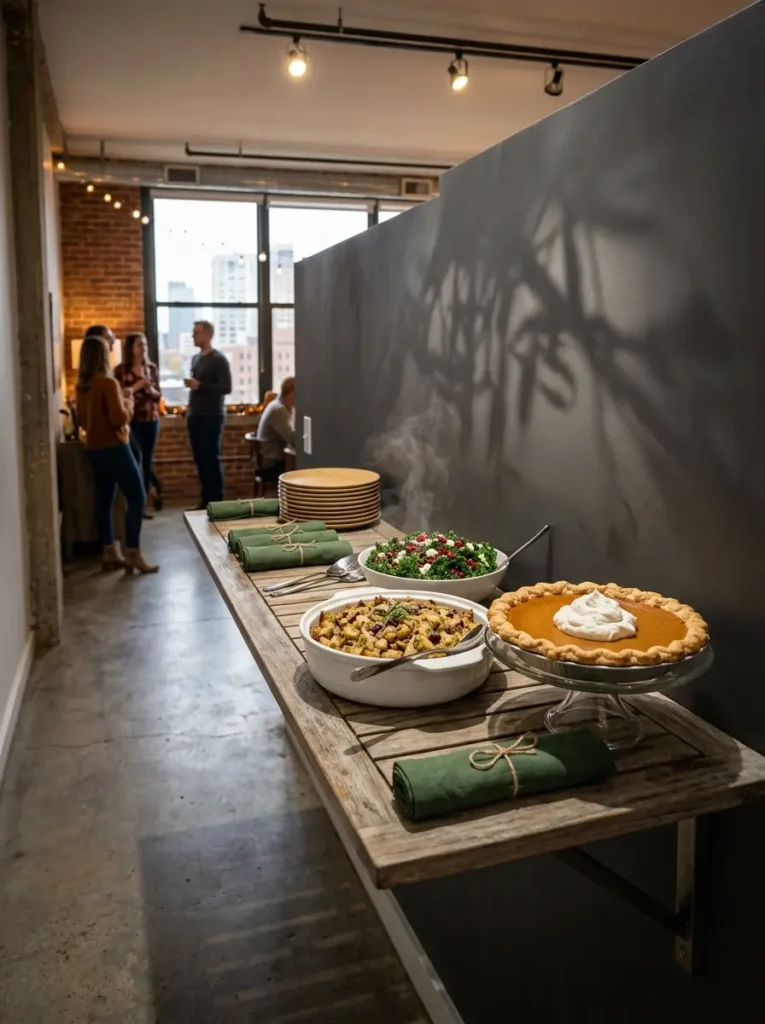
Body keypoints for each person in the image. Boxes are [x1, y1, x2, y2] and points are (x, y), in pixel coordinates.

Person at [76, 334, 158, 574]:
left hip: (94, 449)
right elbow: (119, 419)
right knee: (137, 497)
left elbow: (82, 421)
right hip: (115, 447)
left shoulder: (82, 386)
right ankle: (133, 552)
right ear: (102, 356)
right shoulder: (107, 383)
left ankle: (109, 551)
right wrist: (129, 402)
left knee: (105, 500)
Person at [184, 320, 232, 508]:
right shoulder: (195, 359)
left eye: (197, 333)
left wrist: (200, 386)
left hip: (211, 416)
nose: (193, 336)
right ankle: (205, 500)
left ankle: (215, 501)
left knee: (210, 459)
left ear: (208, 335)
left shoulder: (218, 359)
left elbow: (226, 387)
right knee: (200, 460)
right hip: (195, 414)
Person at [115, 333, 162, 519]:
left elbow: (158, 396)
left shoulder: (151, 368)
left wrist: (149, 389)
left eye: (145, 345)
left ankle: (143, 505)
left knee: (147, 461)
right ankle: (133, 503)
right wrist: (138, 386)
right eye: (139, 345)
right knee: (136, 459)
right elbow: (120, 395)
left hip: (151, 419)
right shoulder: (120, 370)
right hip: (131, 421)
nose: (144, 348)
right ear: (131, 348)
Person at [256, 376, 296, 482]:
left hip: (271, 460)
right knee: (303, 468)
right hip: (272, 464)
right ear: (292, 392)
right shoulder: (279, 410)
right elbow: (292, 439)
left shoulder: (277, 405)